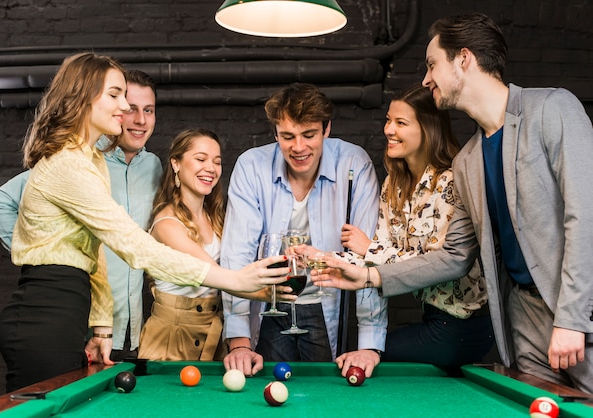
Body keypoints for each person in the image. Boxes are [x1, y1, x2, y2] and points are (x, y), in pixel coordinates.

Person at [313, 13, 593, 393]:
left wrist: (573, 319)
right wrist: (367, 276)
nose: (426, 79)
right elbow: (455, 256)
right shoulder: (467, 161)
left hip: (579, 310)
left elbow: (585, 216)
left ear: (464, 59)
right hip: (523, 320)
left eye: (432, 65)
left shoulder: (554, 109)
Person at [0, 52, 288, 392]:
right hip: (43, 311)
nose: (126, 107)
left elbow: (97, 252)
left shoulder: (89, 161)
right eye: (115, 95)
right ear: (86, 98)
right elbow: (137, 248)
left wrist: (102, 326)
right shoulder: (68, 166)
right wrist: (235, 280)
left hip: (65, 310)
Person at [0, 70, 163, 362]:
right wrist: (40, 249)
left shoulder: (154, 167)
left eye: (149, 110)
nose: (140, 120)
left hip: (131, 329)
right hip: (79, 323)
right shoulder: (83, 159)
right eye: (130, 109)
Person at [322, 83, 493, 378]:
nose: (389, 129)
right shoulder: (393, 185)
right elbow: (378, 254)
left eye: (401, 123)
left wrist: (370, 249)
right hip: (433, 320)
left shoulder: (451, 182)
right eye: (389, 120)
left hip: (465, 326)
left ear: (428, 128)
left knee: (369, 353)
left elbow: (439, 263)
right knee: (362, 351)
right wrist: (325, 259)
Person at [221, 82, 383, 376]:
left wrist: (369, 344)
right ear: (275, 134)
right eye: (287, 136)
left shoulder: (354, 164)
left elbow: (367, 257)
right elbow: (237, 255)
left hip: (327, 307)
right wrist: (239, 342)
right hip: (270, 304)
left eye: (309, 135)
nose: (298, 147)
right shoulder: (251, 166)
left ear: (327, 129)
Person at [139, 128, 295, 361]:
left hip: (213, 332)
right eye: (200, 159)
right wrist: (265, 294)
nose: (211, 168)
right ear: (176, 164)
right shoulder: (166, 223)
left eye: (217, 161)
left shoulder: (216, 218)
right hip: (171, 336)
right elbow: (214, 274)